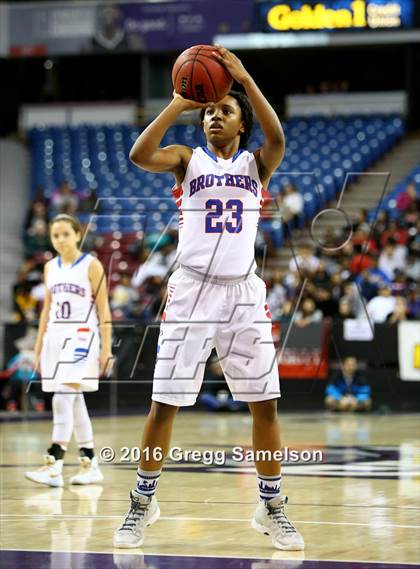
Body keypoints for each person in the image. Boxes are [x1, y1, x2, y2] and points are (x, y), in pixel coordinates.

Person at [113, 45, 304, 551]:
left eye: (226, 111)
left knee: (265, 405)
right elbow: (138, 155)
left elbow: (278, 135)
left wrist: (242, 77)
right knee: (163, 406)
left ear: (241, 124)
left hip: (243, 292)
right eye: (211, 112)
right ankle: (142, 501)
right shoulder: (186, 161)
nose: (215, 117)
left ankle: (272, 506)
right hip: (192, 290)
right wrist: (179, 102)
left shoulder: (256, 165)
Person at [25, 214, 113, 487]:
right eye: (55, 235)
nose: (60, 239)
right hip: (55, 336)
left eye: (65, 234)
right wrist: (38, 346)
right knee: (75, 401)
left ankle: (54, 462)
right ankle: (90, 464)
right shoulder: (50, 267)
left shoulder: (92, 265)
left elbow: (104, 309)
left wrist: (106, 348)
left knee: (63, 396)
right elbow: (45, 312)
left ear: (77, 234)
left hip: (81, 336)